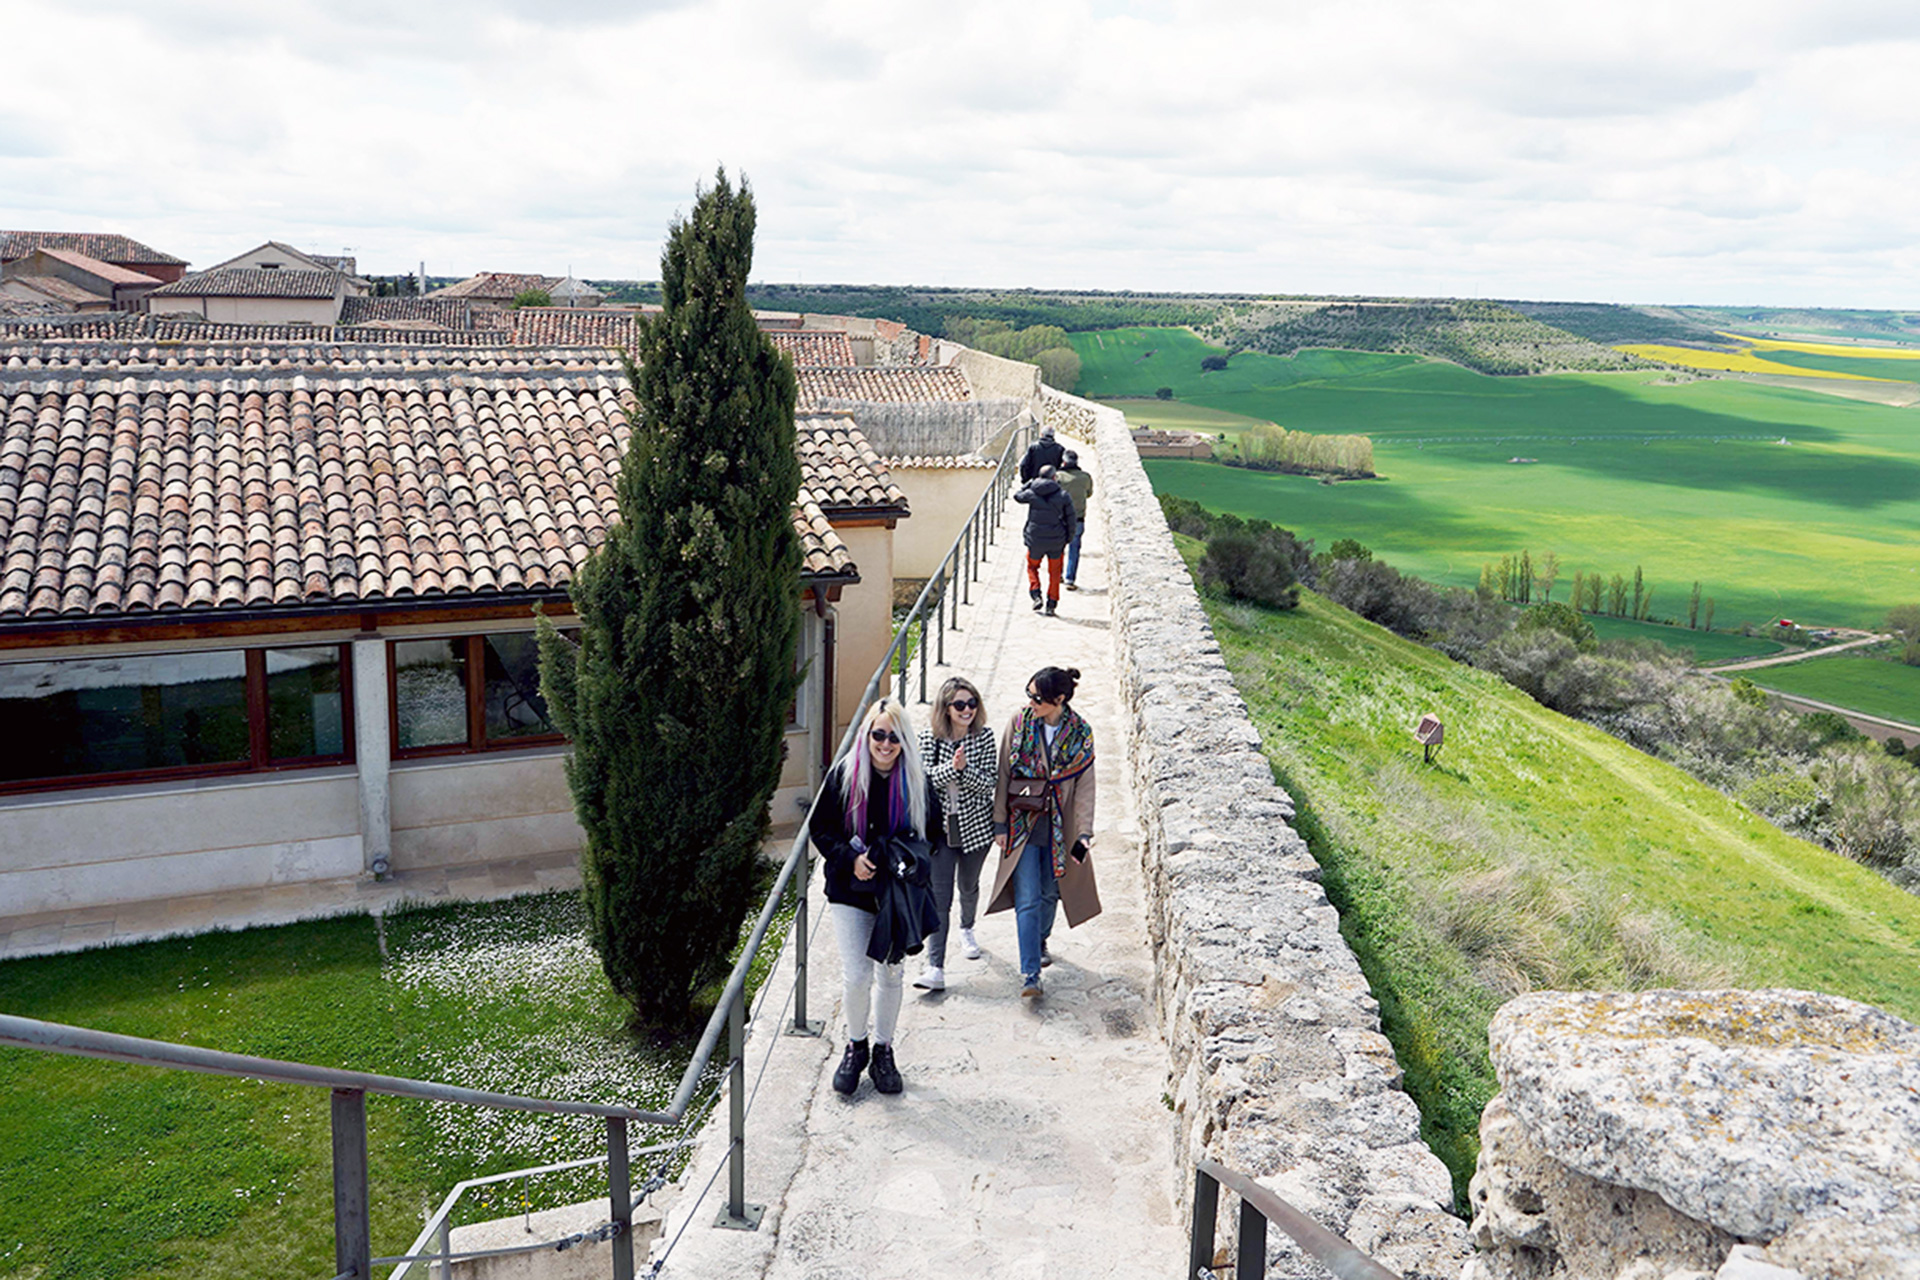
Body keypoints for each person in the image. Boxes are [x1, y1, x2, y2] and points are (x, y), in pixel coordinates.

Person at [810, 697, 939, 1095]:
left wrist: (904, 859)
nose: (885, 744)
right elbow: (820, 828)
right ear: (867, 735)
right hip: (850, 889)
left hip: (896, 895)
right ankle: (856, 1046)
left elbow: (933, 836)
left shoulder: (917, 783)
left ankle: (884, 1050)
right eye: (878, 735)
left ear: (905, 741)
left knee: (891, 973)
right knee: (856, 976)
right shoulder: (844, 776)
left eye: (894, 737)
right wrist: (850, 859)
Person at [988, 666, 1101, 997]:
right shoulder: (1019, 722)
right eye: (1029, 694)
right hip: (1023, 823)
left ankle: (1040, 940)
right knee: (1027, 898)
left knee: (1051, 893)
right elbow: (1004, 772)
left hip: (1060, 827)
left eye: (1037, 698)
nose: (1031, 702)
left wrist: (1083, 833)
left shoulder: (1081, 732)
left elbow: (1086, 787)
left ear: (1059, 699)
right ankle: (1030, 973)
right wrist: (999, 822)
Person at [914, 676, 997, 992]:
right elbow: (922, 779)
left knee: (969, 886)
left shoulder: (984, 738)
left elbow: (989, 783)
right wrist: (952, 768)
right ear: (946, 708)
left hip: (976, 829)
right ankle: (935, 967)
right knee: (939, 898)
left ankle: (967, 927)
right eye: (960, 704)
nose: (967, 710)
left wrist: (963, 771)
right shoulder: (928, 738)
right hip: (940, 832)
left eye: (972, 703)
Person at [1015, 464, 1075, 616]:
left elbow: (1017, 496)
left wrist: (1029, 483)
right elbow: (1071, 519)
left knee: (1032, 567)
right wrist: (1068, 538)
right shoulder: (1063, 495)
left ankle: (1036, 594)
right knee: (1055, 573)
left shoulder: (1031, 493)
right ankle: (1051, 604)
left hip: (1035, 540)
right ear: (1054, 477)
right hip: (1056, 541)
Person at [1055, 449, 1093, 591]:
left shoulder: (1058, 476)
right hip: (1078, 518)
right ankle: (1070, 579)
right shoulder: (1085, 477)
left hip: (1060, 518)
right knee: (1074, 549)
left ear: (1064, 462)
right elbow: (1089, 493)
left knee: (1058, 548)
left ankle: (1057, 574)